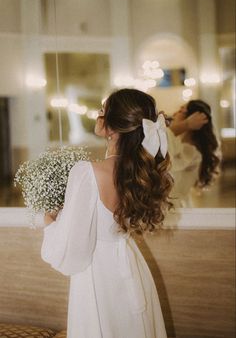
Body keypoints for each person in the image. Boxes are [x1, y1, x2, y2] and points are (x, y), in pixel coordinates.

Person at [41, 88, 173, 338]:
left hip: (97, 276)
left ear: (112, 128)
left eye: (102, 110)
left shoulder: (88, 172)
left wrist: (49, 220)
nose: (98, 115)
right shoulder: (138, 173)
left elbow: (72, 254)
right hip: (131, 268)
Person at [167, 99, 220, 207]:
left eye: (181, 111)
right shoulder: (178, 145)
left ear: (193, 120)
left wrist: (185, 125)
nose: (174, 114)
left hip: (174, 208)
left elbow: (160, 146)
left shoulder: (190, 151)